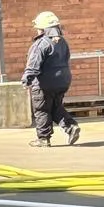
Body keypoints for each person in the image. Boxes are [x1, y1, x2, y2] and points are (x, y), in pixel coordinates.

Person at [23, 10, 80, 147]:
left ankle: (43, 139)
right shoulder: (62, 42)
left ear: (43, 29)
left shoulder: (42, 43)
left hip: (45, 82)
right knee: (55, 107)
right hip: (63, 81)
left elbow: (34, 64)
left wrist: (27, 80)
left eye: (38, 29)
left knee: (41, 109)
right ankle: (71, 127)